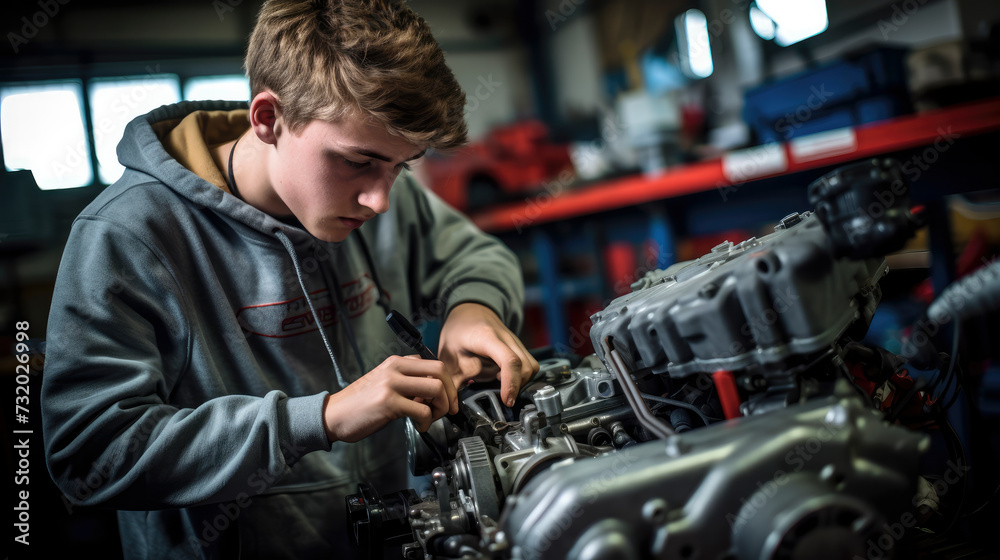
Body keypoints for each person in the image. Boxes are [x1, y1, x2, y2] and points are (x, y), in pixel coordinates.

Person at [40, 1, 538, 558]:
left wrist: (475, 306)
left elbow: (473, 258)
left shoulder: (378, 189)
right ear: (268, 119)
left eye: (402, 166)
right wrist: (318, 418)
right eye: (357, 161)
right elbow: (88, 455)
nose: (380, 199)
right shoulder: (128, 236)